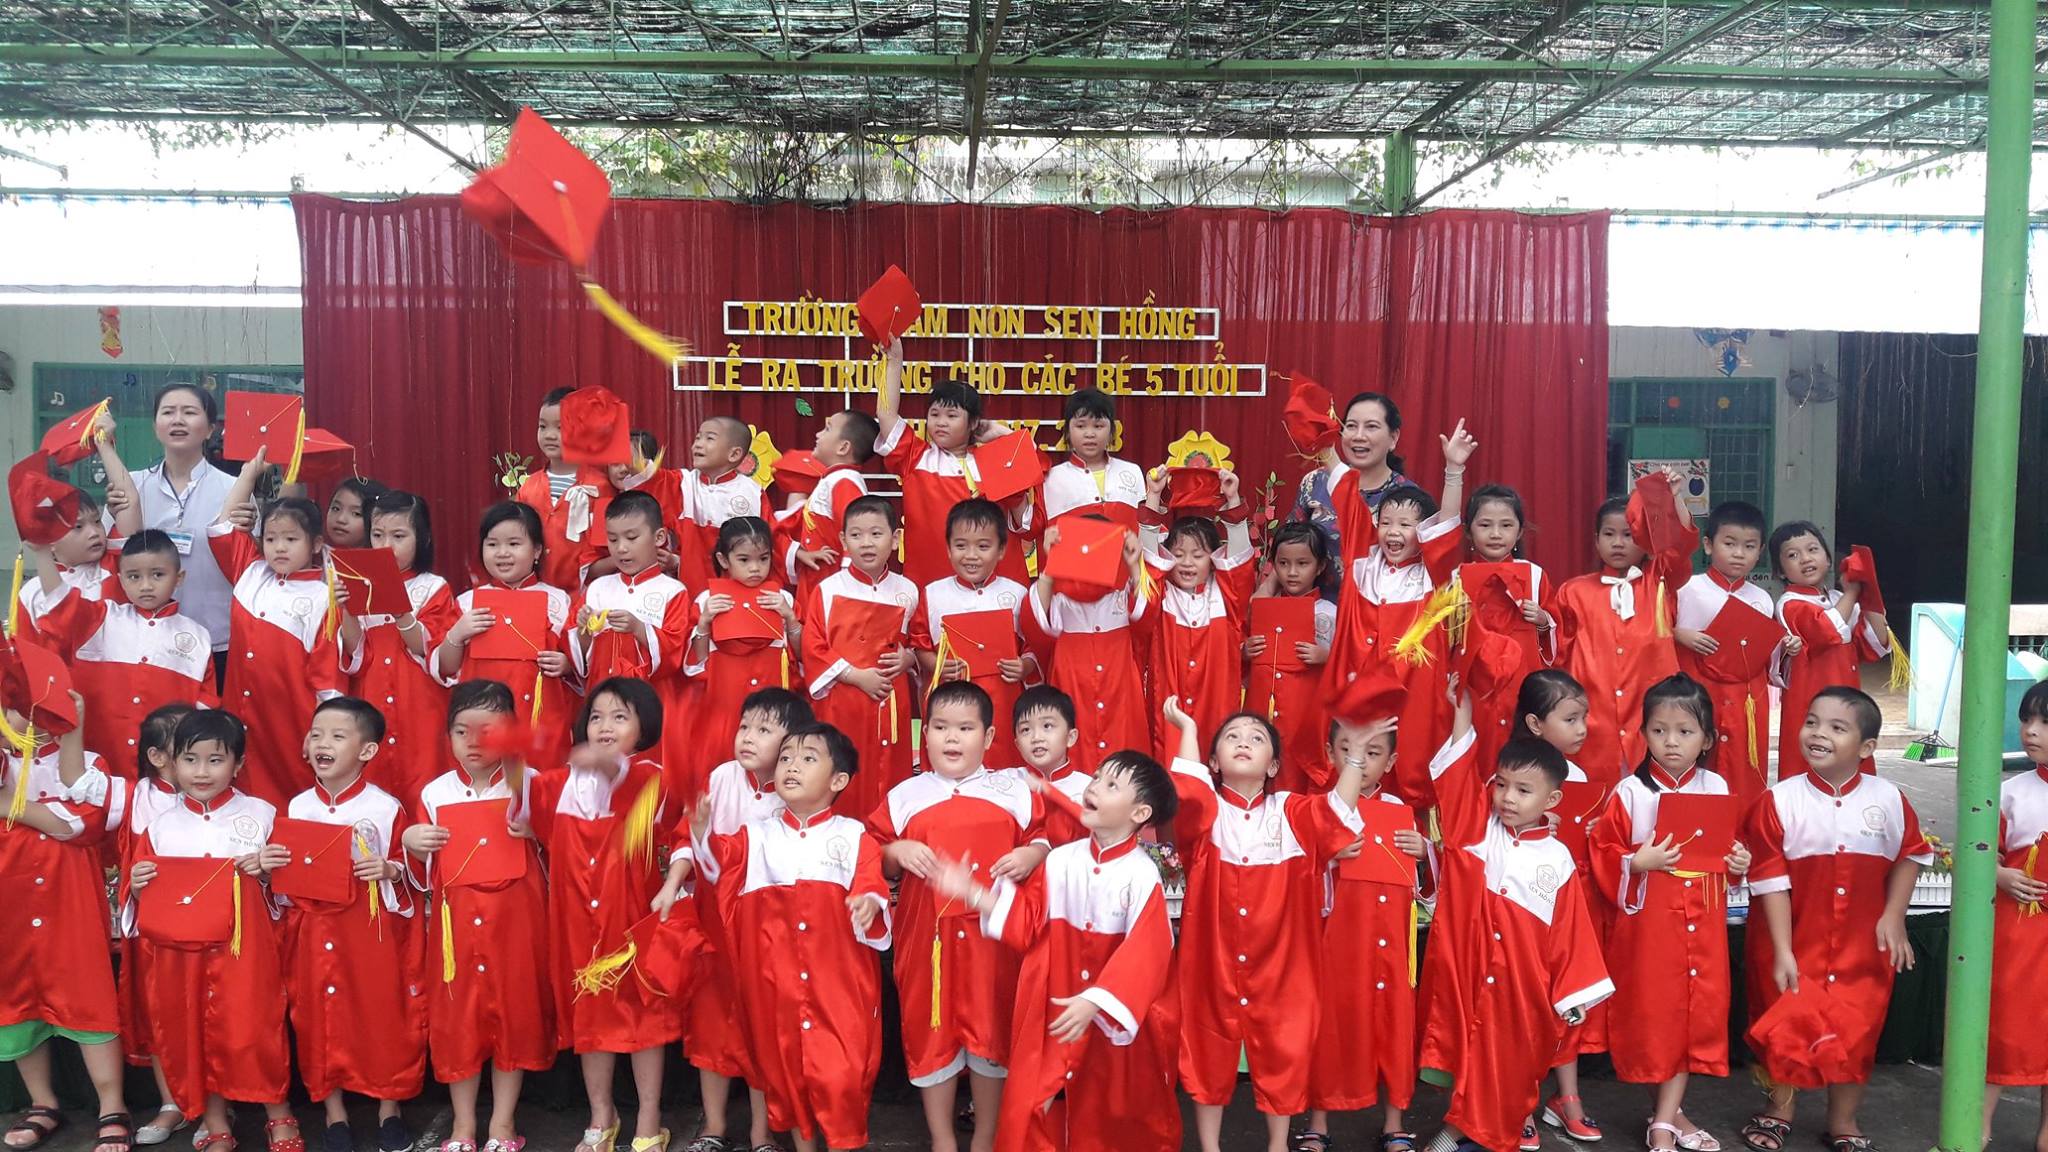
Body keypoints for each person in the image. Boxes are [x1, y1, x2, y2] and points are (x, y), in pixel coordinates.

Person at [929, 749, 1183, 1152]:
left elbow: (1147, 952)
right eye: (1096, 778)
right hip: (1052, 1011)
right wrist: (973, 892)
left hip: (1111, 1026)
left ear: (1140, 813)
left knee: (1109, 1118)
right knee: (1035, 1109)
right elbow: (1027, 921)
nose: (1094, 788)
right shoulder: (1061, 861)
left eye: (1111, 785)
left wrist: (1097, 1001)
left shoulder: (1141, 874)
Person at [1162, 698, 1367, 1152]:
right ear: (1213, 762)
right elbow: (1190, 794)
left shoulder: (1290, 811)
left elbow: (1336, 812)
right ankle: (1210, 1147)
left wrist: (1354, 756)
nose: (1243, 742)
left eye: (1256, 739)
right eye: (1231, 737)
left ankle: (1278, 1145)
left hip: (1283, 961)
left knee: (1284, 1047)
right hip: (1212, 958)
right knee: (1206, 1047)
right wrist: (1188, 729)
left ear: (1273, 766)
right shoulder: (1207, 814)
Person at [1418, 693, 1613, 1152]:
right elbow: (1457, 780)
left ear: (1552, 799)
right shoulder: (1477, 831)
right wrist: (1463, 716)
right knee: (1463, 1056)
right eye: (1502, 785)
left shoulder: (1558, 857)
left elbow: (1570, 931)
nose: (1507, 798)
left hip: (1524, 987)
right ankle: (1457, 1133)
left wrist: (1572, 994)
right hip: (1468, 973)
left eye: (1524, 791)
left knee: (1511, 1066)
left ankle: (1475, 1136)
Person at [1740, 687, 1928, 1152]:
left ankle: (1843, 1120)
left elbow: (1912, 854)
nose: (1818, 733)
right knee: (1785, 1023)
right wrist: (1783, 950)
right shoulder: (1779, 799)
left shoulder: (1889, 798)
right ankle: (1779, 1109)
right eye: (1811, 722)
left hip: (1862, 946)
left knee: (1858, 1029)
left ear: (1867, 748)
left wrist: (1894, 916)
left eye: (1837, 728)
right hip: (1792, 939)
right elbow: (1769, 880)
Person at [693, 722, 893, 1152]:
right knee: (788, 1080)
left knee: (841, 1076)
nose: (791, 766)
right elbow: (717, 864)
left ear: (838, 780)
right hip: (776, 987)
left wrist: (869, 903)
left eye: (807, 758)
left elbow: (871, 883)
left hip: (838, 989)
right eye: (785, 758)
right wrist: (701, 832)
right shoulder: (756, 835)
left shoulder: (853, 835)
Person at [869, 682, 1047, 1152]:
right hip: (927, 941)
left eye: (965, 728)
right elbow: (873, 855)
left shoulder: (1013, 789)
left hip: (994, 939)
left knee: (993, 1033)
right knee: (932, 1035)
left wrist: (1032, 853)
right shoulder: (905, 794)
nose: (952, 737)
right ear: (924, 734)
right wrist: (896, 851)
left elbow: (1044, 837)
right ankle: (942, 1140)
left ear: (988, 738)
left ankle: (986, 1138)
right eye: (941, 727)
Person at [121, 710, 299, 1152]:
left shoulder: (261, 814)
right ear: (171, 763)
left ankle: (279, 1115)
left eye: (215, 760)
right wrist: (137, 885)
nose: (201, 772)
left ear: (238, 764)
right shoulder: (159, 826)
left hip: (245, 951)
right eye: (190, 759)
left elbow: (288, 892)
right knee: (193, 1034)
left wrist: (266, 872)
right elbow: (139, 899)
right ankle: (214, 1122)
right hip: (181, 955)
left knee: (255, 1031)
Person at [1588, 676, 1750, 1151]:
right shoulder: (1630, 793)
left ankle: (1664, 1119)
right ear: (1643, 734)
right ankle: (1671, 1116)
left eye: (1685, 732)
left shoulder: (1717, 786)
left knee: (1693, 1016)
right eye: (1659, 731)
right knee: (1657, 1018)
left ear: (1708, 739)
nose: (1671, 742)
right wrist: (1637, 862)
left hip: (1703, 921)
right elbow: (1603, 852)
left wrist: (1738, 862)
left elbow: (1723, 852)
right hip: (1650, 925)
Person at [522, 678, 681, 1152]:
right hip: (577, 925)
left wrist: (603, 764)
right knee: (590, 1022)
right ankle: (601, 1116)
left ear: (644, 728)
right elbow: (524, 811)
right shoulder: (559, 784)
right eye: (596, 717)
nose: (604, 726)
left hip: (633, 923)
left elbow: (628, 784)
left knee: (644, 1021)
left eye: (619, 716)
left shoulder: (652, 777)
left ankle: (648, 1118)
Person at [654, 687, 813, 1152]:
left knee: (762, 1027)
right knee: (711, 1022)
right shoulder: (722, 777)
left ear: (791, 743)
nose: (747, 737)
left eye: (763, 730)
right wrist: (672, 883)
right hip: (714, 923)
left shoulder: (797, 788)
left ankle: (763, 1131)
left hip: (767, 925)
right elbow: (687, 835)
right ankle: (713, 1127)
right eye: (744, 726)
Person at [403, 680, 555, 1152]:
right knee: (458, 1022)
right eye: (461, 731)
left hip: (516, 926)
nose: (473, 742)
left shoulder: (530, 784)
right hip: (456, 933)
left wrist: (540, 830)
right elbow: (422, 874)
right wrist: (412, 844)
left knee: (513, 1016)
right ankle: (463, 1125)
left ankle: (502, 1124)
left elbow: (566, 851)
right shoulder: (435, 793)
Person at [271, 697, 422, 1152]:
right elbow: (286, 883)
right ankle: (333, 1113)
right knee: (318, 1017)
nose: (323, 744)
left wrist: (390, 870)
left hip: (369, 931)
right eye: (317, 734)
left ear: (367, 750)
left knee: (381, 1014)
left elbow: (408, 873)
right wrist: (273, 866)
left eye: (338, 736)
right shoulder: (298, 806)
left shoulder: (385, 807)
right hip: (314, 930)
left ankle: (389, 1107)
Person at [1, 688, 132, 1152]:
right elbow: (60, 822)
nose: (27, 718)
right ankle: (42, 1103)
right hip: (10, 904)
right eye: (14, 707)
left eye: (40, 708)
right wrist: (41, 815)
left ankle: (112, 1106)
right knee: (16, 999)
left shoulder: (86, 765)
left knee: (87, 997)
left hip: (70, 902)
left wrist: (12, 806)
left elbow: (83, 824)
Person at [1322, 420, 1478, 803]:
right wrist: (1325, 448)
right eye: (1386, 523)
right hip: (1361, 691)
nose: (1393, 532)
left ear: (1424, 532)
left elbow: (1447, 529)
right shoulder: (1363, 563)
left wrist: (1453, 470)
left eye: (1406, 525)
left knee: (1411, 771)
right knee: (1356, 767)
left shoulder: (1434, 575)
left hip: (1415, 695)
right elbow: (1349, 504)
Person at [1301, 709, 1427, 1152]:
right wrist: (1329, 856)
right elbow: (1297, 877)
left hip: (1391, 940)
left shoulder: (1400, 812)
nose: (1361, 760)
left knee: (1395, 1025)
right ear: (1329, 753)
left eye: (1373, 753)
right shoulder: (1318, 809)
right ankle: (1319, 1121)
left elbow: (1423, 891)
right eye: (1348, 749)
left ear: (1390, 762)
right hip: (1340, 940)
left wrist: (1425, 852)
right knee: (1332, 1025)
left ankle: (1395, 1122)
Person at [208, 447, 345, 806]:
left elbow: (328, 679)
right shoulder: (251, 572)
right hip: (240, 717)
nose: (279, 548)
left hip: (290, 722)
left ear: (315, 544)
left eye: (291, 539)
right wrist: (250, 472)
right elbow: (222, 528)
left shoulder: (324, 597)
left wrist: (324, 734)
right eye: (270, 539)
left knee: (292, 795)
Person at [24, 531, 215, 776]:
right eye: (134, 576)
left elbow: (204, 713)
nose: (146, 586)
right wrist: (42, 555)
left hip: (164, 774)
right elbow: (62, 606)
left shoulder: (198, 637)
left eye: (158, 574)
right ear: (121, 580)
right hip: (95, 765)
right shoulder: (102, 618)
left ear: (179, 578)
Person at [1509, 669, 1606, 1145]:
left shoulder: (1581, 777)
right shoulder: (1510, 775)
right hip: (1522, 908)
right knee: (1522, 1005)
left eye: (1583, 717)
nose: (1582, 728)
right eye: (1570, 719)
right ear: (1534, 724)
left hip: (1569, 902)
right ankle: (1519, 1099)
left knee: (1569, 998)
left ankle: (1566, 1096)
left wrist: (1594, 835)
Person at [1554, 474, 1697, 785]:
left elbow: (1680, 546)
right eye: (1609, 534)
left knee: (1650, 793)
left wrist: (1674, 499)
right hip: (1593, 715)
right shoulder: (1573, 591)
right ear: (1596, 540)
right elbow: (1557, 652)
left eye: (1629, 535)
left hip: (1649, 713)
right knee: (1592, 793)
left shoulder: (1659, 581)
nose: (1618, 543)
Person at [433, 502, 579, 772]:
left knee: (539, 787)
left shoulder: (558, 601)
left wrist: (566, 665)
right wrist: (457, 633)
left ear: (537, 550)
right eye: (492, 544)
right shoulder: (467, 602)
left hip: (539, 721)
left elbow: (579, 664)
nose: (502, 553)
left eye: (514, 544)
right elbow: (447, 667)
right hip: (482, 722)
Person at [875, 337, 1031, 589]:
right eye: (934, 414)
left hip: (994, 589)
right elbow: (886, 415)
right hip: (932, 585)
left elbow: (1024, 521)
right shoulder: (916, 457)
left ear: (973, 422)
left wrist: (998, 432)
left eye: (952, 415)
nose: (941, 422)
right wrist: (894, 360)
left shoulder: (997, 460)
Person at [802, 496, 919, 821]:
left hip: (890, 700)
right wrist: (855, 675)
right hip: (843, 700)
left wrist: (909, 659)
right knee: (844, 768)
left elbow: (919, 641)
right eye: (856, 535)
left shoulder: (908, 590)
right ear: (843, 540)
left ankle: (887, 839)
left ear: (895, 539)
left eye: (876, 534)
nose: (866, 543)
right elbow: (813, 646)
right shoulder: (828, 589)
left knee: (890, 774)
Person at [572, 491, 693, 804]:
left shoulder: (672, 591)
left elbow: (675, 652)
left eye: (631, 537)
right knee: (598, 784)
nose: (621, 548)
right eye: (613, 540)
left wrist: (639, 629)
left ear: (659, 537)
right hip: (601, 696)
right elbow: (578, 657)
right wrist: (584, 629)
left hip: (648, 702)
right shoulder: (598, 588)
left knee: (646, 781)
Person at [338, 490, 455, 801]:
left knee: (423, 781)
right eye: (377, 535)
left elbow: (431, 651)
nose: (385, 545)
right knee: (373, 786)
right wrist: (347, 610)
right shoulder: (360, 582)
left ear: (423, 538)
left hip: (420, 704)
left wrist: (401, 611)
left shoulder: (433, 587)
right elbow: (355, 654)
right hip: (372, 698)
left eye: (399, 536)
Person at [117, 704, 195, 1148]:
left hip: (212, 930)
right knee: (161, 1016)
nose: (199, 763)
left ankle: (215, 1104)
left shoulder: (228, 798)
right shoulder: (135, 797)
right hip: (155, 933)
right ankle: (172, 1103)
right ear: (158, 756)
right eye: (187, 750)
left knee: (210, 1014)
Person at [1137, 469, 1254, 764]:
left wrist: (1233, 500)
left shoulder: (1227, 596)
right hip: (1169, 714)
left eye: (1198, 555)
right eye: (1178, 554)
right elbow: (1146, 560)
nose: (1187, 563)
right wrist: (1153, 497)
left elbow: (1239, 562)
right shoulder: (1160, 596)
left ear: (1214, 559)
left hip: (1216, 709)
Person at [117, 384, 239, 663]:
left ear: (209, 429)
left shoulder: (233, 490)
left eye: (190, 412)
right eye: (168, 412)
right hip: (144, 638)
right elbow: (115, 556)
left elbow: (247, 563)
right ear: (155, 426)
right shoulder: (132, 487)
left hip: (216, 635)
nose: (178, 420)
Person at [1672, 501, 1784, 807]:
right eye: (1729, 543)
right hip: (1697, 690)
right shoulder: (1686, 588)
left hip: (1743, 700)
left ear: (1760, 551)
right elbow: (1656, 633)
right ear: (1708, 545)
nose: (1739, 553)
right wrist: (1679, 634)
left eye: (1749, 546)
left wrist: (1786, 647)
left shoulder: (1762, 599)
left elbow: (1768, 659)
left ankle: (1742, 826)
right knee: (1695, 756)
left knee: (1741, 765)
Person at [914, 498, 1040, 770]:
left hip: (1003, 704)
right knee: (951, 769)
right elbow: (919, 644)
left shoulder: (1017, 594)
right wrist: (936, 665)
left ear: (1001, 550)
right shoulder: (933, 594)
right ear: (948, 549)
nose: (971, 555)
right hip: (950, 704)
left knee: (1003, 770)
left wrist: (1024, 666)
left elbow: (1033, 646)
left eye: (983, 546)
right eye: (961, 546)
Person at [1024, 520, 1149, 775]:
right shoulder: (1061, 603)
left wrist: (1133, 565)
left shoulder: (1121, 599)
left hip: (1119, 703)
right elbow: (1034, 623)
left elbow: (1147, 615)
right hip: (1075, 698)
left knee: (1125, 774)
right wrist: (1052, 563)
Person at [688, 516, 802, 788]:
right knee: (721, 773)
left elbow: (801, 656)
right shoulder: (707, 600)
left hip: (772, 706)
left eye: (763, 559)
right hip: (725, 705)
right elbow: (697, 664)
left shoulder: (783, 599)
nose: (755, 568)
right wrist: (704, 623)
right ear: (724, 560)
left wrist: (790, 618)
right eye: (744, 560)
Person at [1770, 523, 1889, 781]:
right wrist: (1853, 593)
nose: (1805, 558)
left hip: (1847, 697)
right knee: (1809, 765)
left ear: (1827, 558)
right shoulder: (1790, 604)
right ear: (1780, 571)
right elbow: (1825, 630)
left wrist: (1870, 593)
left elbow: (1875, 644)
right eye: (1793, 555)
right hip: (1810, 701)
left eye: (1813, 549)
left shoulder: (1838, 598)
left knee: (1850, 760)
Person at [1985, 681, 2048, 1150]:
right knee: (2003, 1024)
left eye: (2045, 722)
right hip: (2019, 930)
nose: (2031, 730)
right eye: (2027, 719)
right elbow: (1980, 851)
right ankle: (1976, 1123)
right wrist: (2001, 875)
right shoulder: (2010, 792)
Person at [1459, 485, 1559, 770]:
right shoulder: (1457, 577)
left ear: (1519, 531)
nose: (1495, 534)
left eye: (1505, 525)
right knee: (1476, 752)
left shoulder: (1535, 575)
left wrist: (1542, 619)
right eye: (1485, 525)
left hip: (1522, 681)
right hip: (1475, 686)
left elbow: (1556, 635)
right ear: (1469, 531)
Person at [1244, 522, 1338, 794]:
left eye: (1302, 564)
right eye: (1283, 564)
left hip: (1305, 714)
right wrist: (1245, 651)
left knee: (1296, 775)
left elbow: (1349, 664)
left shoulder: (1328, 612)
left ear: (1320, 567)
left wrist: (1326, 656)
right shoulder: (1265, 606)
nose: (1292, 572)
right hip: (1263, 708)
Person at [1291, 391, 1410, 555]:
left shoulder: (1408, 496)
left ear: (1393, 438)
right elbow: (1290, 543)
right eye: (1351, 426)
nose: (1358, 436)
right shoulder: (1315, 482)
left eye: (1371, 427)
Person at [516, 386, 609, 592]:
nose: (549, 435)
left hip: (584, 596)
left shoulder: (600, 488)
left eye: (560, 427)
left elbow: (606, 549)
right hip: (536, 593)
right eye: (542, 426)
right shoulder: (529, 488)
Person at [786, 405, 880, 603]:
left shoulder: (845, 481)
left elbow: (856, 530)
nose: (818, 434)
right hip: (818, 580)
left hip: (832, 588)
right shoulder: (833, 479)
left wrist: (848, 583)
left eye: (827, 429)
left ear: (843, 447)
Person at [675, 416, 775, 597]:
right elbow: (654, 481)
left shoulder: (752, 492)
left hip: (742, 591)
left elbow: (773, 535)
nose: (697, 445)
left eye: (709, 438)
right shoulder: (683, 483)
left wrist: (798, 552)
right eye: (697, 438)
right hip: (694, 588)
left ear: (734, 454)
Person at [1040, 388, 1145, 529]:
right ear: (1068, 431)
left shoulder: (1132, 471)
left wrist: (1155, 494)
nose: (1090, 434)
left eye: (1098, 426)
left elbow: (1147, 534)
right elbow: (1031, 529)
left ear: (1111, 431)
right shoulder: (1051, 479)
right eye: (1081, 426)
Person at [1009, 685, 1087, 843]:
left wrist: (1049, 791)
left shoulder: (1088, 787)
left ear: (1071, 737)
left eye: (1047, 726)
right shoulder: (1009, 781)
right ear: (1017, 744)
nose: (1036, 737)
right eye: (1026, 730)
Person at [324, 477, 387, 551]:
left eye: (356, 513)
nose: (340, 519)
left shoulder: (386, 557)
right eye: (336, 508)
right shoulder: (319, 554)